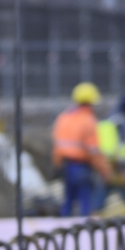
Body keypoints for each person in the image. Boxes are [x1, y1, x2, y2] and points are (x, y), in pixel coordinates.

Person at [51, 81, 112, 217]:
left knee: (67, 201)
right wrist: (104, 170)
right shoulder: (88, 121)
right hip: (82, 167)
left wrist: (58, 164)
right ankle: (85, 233)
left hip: (66, 166)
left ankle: (63, 233)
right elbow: (94, 151)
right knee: (86, 202)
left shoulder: (63, 118)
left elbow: (57, 145)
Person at [97, 94, 125, 213]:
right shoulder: (121, 121)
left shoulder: (106, 119)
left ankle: (91, 216)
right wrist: (124, 168)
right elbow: (121, 147)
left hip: (105, 164)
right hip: (117, 165)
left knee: (101, 196)